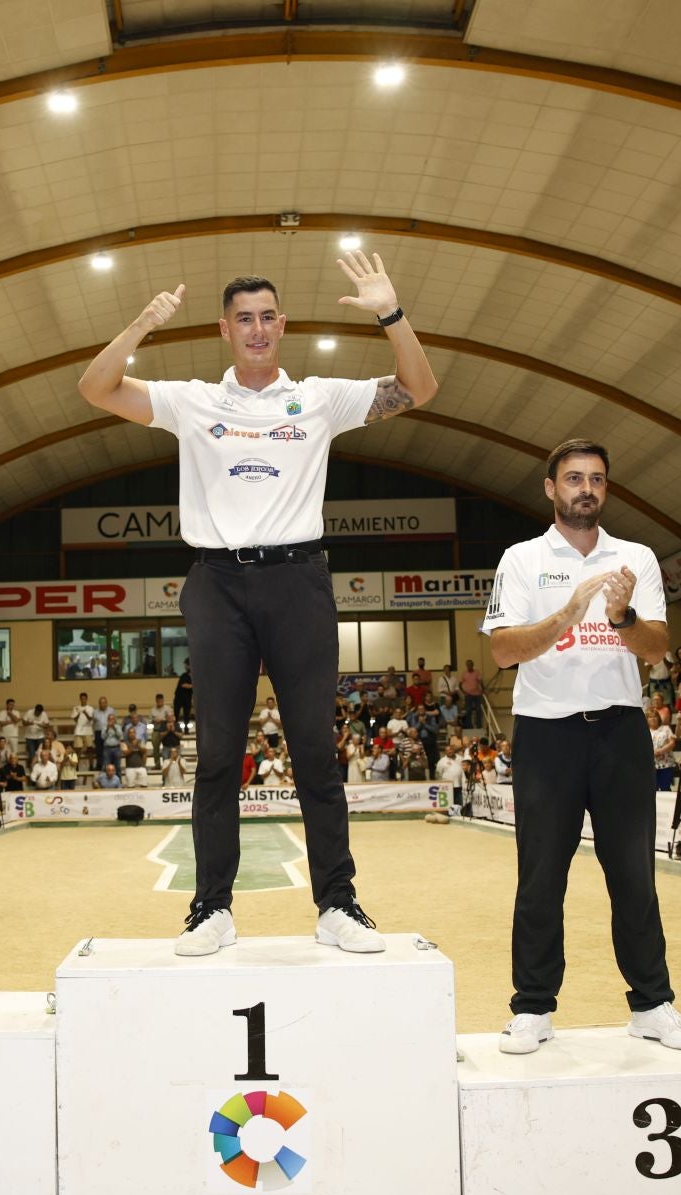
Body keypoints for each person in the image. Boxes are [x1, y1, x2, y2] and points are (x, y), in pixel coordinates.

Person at [78, 254, 436, 957]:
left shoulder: (320, 398)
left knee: (315, 752)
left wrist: (391, 314)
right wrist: (141, 325)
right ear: (225, 329)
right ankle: (211, 907)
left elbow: (420, 388)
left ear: (283, 325)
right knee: (217, 754)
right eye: (244, 318)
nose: (258, 328)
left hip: (299, 580)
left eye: (269, 316)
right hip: (217, 584)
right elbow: (96, 388)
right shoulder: (192, 401)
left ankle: (337, 904)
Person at [481, 438, 681, 1056]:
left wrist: (623, 615)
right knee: (540, 876)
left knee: (633, 874)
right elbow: (503, 649)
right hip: (546, 732)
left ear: (606, 489)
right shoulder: (521, 559)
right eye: (574, 478)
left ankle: (652, 1003)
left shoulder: (635, 557)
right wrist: (570, 612)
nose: (586, 489)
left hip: (619, 731)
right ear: (551, 488)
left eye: (597, 479)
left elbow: (656, 648)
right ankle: (532, 1007)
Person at [173, 659, 195, 732]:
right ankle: (175, 729)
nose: (185, 667)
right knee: (176, 714)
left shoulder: (194, 676)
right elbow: (184, 685)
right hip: (179, 697)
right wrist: (194, 685)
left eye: (186, 665)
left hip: (188, 698)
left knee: (187, 714)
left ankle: (186, 729)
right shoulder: (184, 676)